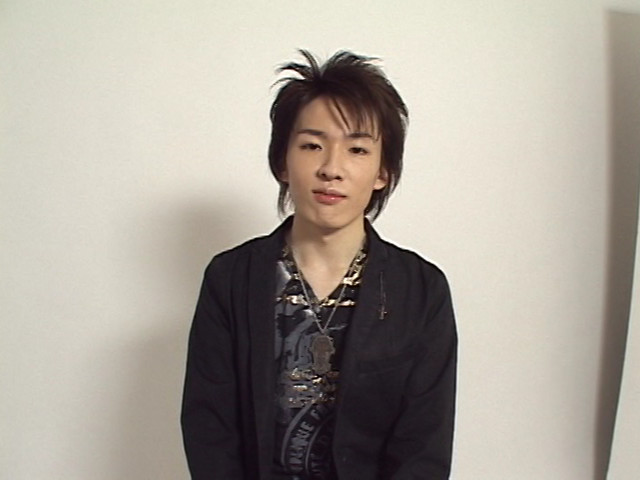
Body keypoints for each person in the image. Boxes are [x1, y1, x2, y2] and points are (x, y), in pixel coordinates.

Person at [181, 50, 457, 480]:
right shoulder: (231, 279)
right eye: (312, 145)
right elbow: (209, 430)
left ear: (383, 171)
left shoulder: (421, 290)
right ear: (282, 161)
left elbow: (424, 447)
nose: (332, 168)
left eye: (357, 149)